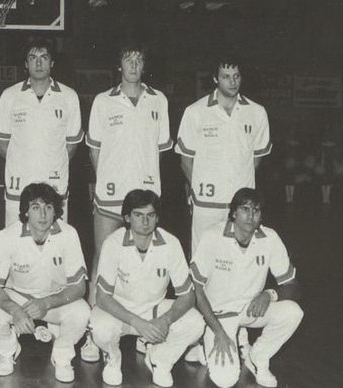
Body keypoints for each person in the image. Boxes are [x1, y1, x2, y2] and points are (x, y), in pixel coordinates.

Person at [82, 43, 172, 362]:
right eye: (127, 59)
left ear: (144, 64)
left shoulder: (158, 100)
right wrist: (111, 175)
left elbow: (160, 149)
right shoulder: (102, 102)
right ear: (118, 64)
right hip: (110, 193)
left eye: (139, 58)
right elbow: (94, 151)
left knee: (144, 262)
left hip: (146, 195)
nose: (133, 64)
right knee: (101, 258)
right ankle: (94, 336)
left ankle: (141, 333)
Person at [89, 190, 204, 387]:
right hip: (120, 311)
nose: (145, 221)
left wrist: (165, 320)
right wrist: (138, 323)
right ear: (127, 217)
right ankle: (113, 359)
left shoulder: (171, 243)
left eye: (150, 215)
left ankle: (160, 360)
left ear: (157, 218)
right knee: (100, 327)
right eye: (138, 215)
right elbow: (102, 298)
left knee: (196, 323)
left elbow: (187, 295)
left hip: (154, 310)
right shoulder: (113, 243)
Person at [190, 188, 303, 388]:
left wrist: (269, 294)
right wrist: (219, 332)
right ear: (233, 213)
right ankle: (205, 342)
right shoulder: (212, 236)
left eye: (256, 211)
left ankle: (258, 357)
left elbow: (293, 285)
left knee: (293, 312)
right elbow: (196, 291)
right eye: (245, 209)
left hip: (250, 310)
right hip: (219, 316)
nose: (251, 216)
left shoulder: (270, 237)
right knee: (226, 381)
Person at [0, 183, 90, 383]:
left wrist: (46, 303)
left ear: (56, 211)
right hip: (18, 296)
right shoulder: (7, 235)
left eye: (48, 207)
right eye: (35, 207)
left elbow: (79, 288)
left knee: (82, 312)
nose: (43, 215)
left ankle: (63, 355)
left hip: (54, 298)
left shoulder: (69, 233)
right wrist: (14, 310)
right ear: (25, 211)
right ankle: (7, 350)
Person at [175, 56, 271, 256]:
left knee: (238, 258)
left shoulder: (257, 112)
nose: (232, 82)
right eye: (226, 76)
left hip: (242, 204)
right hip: (206, 204)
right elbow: (186, 161)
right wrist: (200, 190)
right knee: (203, 257)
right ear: (215, 79)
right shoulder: (195, 112)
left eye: (236, 76)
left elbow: (256, 160)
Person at [0, 37, 83, 226]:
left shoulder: (69, 97)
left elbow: (72, 145)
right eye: (33, 58)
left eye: (44, 57)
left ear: (52, 62)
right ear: (26, 64)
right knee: (16, 243)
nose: (39, 62)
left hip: (55, 184)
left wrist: (50, 162)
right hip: (19, 184)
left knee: (54, 244)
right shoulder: (10, 96)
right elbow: (2, 145)